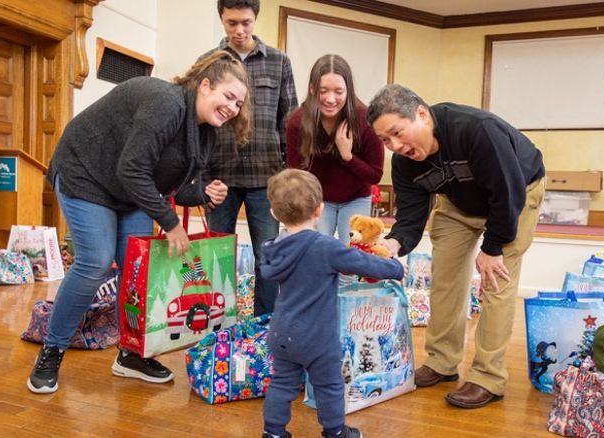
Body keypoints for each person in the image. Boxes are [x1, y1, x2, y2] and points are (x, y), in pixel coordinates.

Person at [27, 50, 252, 394]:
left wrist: (204, 192)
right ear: (205, 85)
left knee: (137, 269)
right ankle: (51, 351)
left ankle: (131, 354)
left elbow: (169, 188)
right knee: (95, 261)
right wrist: (171, 223)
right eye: (228, 96)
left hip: (126, 189)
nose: (233, 107)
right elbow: (132, 169)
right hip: (85, 173)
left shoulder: (205, 131)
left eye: (239, 103)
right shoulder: (166, 103)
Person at [367, 84, 545, 409]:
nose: (394, 145)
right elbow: (409, 217)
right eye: (385, 141)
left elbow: (508, 195)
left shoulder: (476, 131)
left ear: (422, 114)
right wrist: (392, 244)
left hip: (515, 193)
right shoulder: (405, 163)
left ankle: (488, 377)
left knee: (496, 282)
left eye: (396, 132)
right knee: (445, 277)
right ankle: (441, 362)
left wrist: (492, 248)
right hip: (458, 203)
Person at [260, 169, 404, 438]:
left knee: (281, 384)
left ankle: (274, 433)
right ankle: (335, 432)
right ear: (319, 210)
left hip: (280, 332)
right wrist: (395, 268)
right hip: (317, 337)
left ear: (274, 213)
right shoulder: (325, 246)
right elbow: (364, 263)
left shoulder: (272, 248)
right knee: (329, 385)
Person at [202, 0, 298, 316]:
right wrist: (201, 179)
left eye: (245, 22)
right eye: (231, 23)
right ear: (220, 19)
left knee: (267, 256)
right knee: (216, 257)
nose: (239, 30)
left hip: (266, 179)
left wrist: (288, 175)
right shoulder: (208, 63)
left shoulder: (279, 61)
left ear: (256, 18)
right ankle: (218, 323)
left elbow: (289, 120)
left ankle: (264, 324)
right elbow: (198, 123)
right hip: (219, 178)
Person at [287, 54, 384, 244]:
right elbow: (296, 174)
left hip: (356, 199)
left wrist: (348, 156)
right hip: (317, 201)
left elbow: (375, 175)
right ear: (313, 89)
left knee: (351, 259)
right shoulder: (297, 122)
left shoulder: (365, 119)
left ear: (348, 91)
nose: (331, 99)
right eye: (324, 91)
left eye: (339, 91)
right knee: (316, 256)